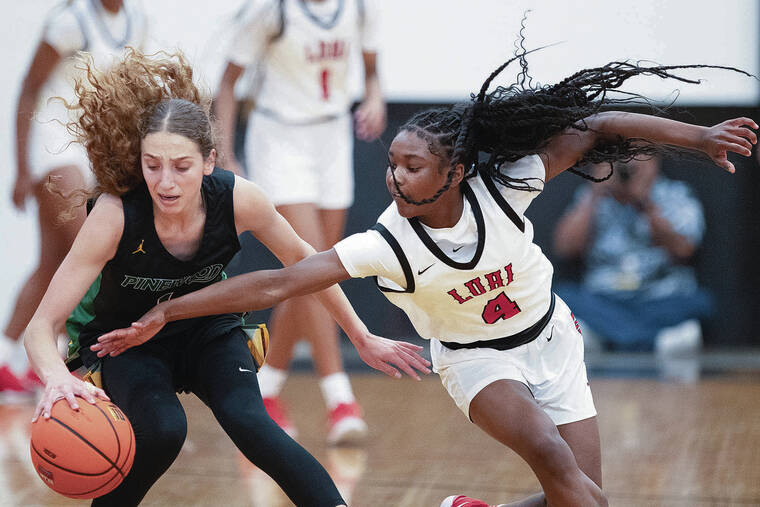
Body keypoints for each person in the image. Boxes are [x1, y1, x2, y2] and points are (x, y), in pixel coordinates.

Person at [91, 50, 757, 506]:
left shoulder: (509, 185)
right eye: (393, 165)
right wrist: (167, 312)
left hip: (554, 341)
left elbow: (593, 124)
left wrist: (696, 139)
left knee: (583, 495)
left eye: (412, 167)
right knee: (557, 463)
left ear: (456, 170)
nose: (396, 177)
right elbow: (276, 284)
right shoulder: (387, 242)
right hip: (478, 363)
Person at [23, 50, 428, 507]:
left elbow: (309, 267)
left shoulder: (240, 200)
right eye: (152, 164)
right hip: (127, 341)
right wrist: (56, 379)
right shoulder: (115, 215)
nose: (165, 182)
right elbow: (40, 327)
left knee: (251, 422)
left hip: (205, 330)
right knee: (163, 430)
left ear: (209, 161)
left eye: (181, 166)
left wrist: (362, 336)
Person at [214, 0, 386, 443]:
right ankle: (340, 399)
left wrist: (374, 96)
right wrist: (229, 155)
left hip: (331, 138)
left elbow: (370, 69)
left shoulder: (359, 8)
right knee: (315, 267)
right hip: (280, 138)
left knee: (309, 276)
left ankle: (265, 391)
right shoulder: (272, 12)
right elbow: (228, 84)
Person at [3, 0, 148, 400]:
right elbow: (29, 89)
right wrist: (20, 168)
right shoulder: (69, 20)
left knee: (53, 263)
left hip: (96, 149)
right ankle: (67, 360)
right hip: (54, 146)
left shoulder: (137, 20)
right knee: (91, 255)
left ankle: (4, 359)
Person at [553, 156, 712, 354]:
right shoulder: (591, 196)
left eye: (636, 157)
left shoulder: (674, 193)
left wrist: (645, 200)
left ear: (654, 161)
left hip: (659, 299)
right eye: (617, 159)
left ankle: (609, 338)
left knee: (700, 302)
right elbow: (565, 248)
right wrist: (595, 192)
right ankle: (653, 340)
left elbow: (684, 249)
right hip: (604, 299)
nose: (626, 166)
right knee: (563, 297)